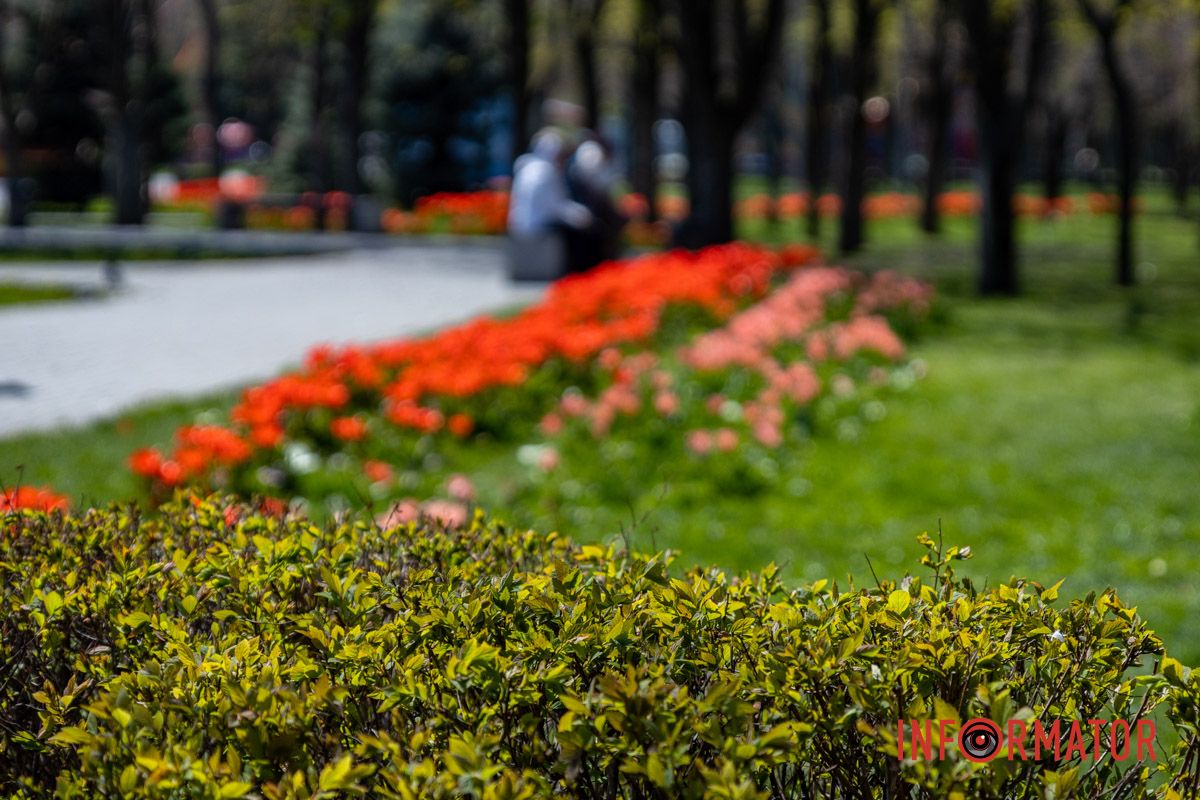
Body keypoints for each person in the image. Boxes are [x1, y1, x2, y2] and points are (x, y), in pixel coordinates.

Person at [506, 129, 593, 281]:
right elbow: (556, 207)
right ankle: (579, 274)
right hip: (539, 225)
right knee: (582, 234)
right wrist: (581, 215)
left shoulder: (526, 166)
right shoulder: (546, 172)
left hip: (518, 224)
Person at [567, 137, 626, 271]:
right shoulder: (591, 153)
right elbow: (599, 185)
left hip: (593, 213)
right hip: (588, 214)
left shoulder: (588, 154)